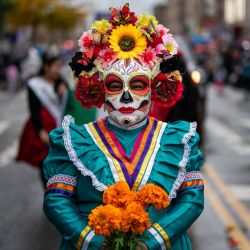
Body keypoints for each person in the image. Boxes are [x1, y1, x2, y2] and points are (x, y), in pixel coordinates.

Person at [43, 4, 204, 250]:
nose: (127, 97)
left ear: (152, 87)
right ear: (100, 87)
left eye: (138, 84)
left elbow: (192, 199)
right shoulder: (75, 140)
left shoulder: (177, 140)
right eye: (116, 85)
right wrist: (95, 241)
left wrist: (153, 239)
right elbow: (57, 200)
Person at [16, 55, 65, 185]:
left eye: (59, 67)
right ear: (46, 67)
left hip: (59, 127)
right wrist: (40, 131)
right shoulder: (35, 84)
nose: (58, 70)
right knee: (44, 163)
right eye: (55, 67)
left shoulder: (61, 83)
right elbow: (34, 110)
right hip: (43, 128)